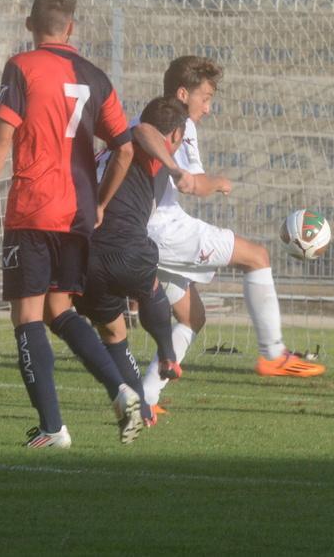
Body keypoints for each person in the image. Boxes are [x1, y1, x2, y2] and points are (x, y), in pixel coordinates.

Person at [0, 0, 144, 448]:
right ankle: (122, 389)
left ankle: (52, 428)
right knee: (58, 308)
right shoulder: (95, 76)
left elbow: (3, 135)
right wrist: (101, 203)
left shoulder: (22, 67)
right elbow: (124, 148)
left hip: (33, 207)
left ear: (30, 25)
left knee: (26, 316)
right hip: (78, 212)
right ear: (72, 27)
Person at [140, 56, 325, 414]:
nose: (208, 108)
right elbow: (192, 183)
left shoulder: (145, 117)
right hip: (164, 229)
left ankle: (147, 397)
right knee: (257, 257)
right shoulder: (179, 125)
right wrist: (219, 183)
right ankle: (273, 354)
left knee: (193, 318)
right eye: (205, 98)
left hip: (140, 231)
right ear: (183, 94)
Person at [75, 96, 193, 426]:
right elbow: (143, 130)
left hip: (84, 253)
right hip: (122, 242)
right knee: (148, 283)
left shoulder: (107, 150)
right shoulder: (143, 143)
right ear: (176, 136)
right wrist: (173, 166)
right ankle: (168, 354)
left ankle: (139, 409)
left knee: (113, 335)